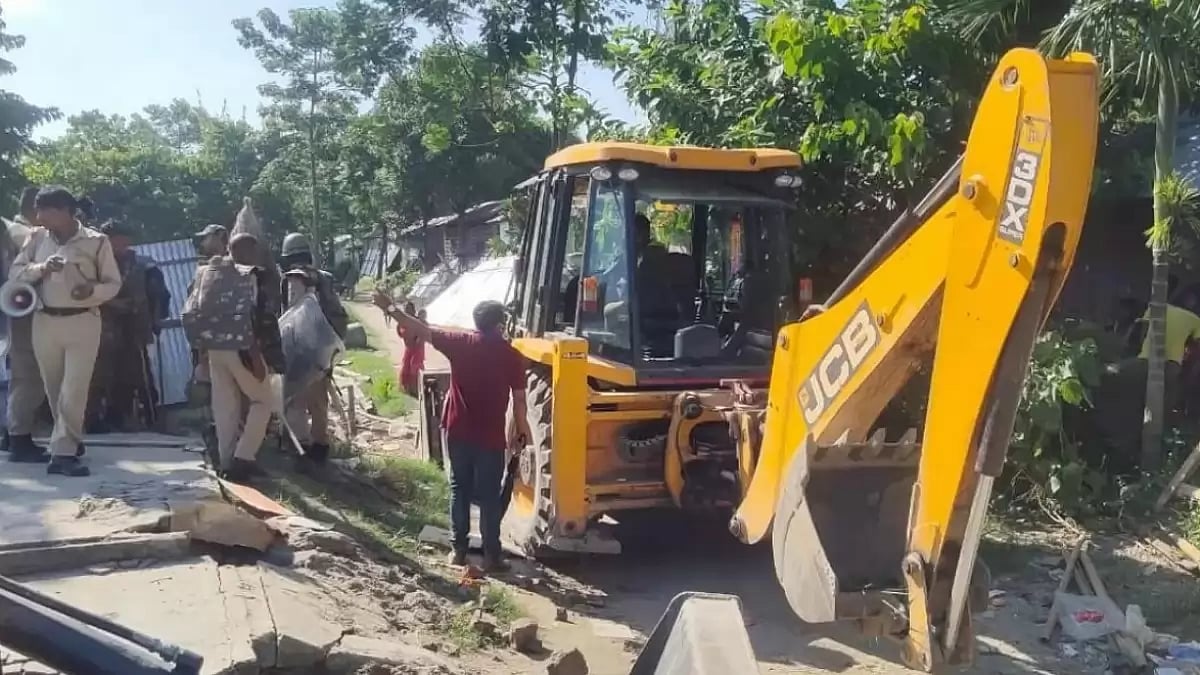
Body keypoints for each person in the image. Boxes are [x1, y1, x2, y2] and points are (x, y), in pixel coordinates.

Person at [372, 290, 530, 571]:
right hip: (491, 437)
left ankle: (458, 552)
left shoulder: (460, 342)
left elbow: (421, 328)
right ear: (500, 325)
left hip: (457, 430)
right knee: (491, 496)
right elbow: (519, 402)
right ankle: (493, 556)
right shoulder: (512, 356)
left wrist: (392, 308)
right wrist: (522, 431)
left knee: (459, 489)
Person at [10, 186, 121, 476]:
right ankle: (69, 438)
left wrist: (92, 290)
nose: (38, 217)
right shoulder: (36, 238)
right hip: (44, 321)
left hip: (83, 321)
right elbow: (16, 274)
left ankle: (62, 454)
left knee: (74, 389)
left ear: (63, 211)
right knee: (55, 388)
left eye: (44, 211)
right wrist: (42, 268)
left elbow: (113, 283)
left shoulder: (97, 242)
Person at [184, 232, 284, 481]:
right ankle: (244, 457)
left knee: (225, 407)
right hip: (243, 347)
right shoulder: (248, 275)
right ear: (248, 251)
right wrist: (261, 355)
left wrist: (201, 350)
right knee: (263, 402)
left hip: (212, 348)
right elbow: (257, 316)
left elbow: (190, 311)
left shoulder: (205, 273)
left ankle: (226, 462)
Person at [279, 232, 347, 463]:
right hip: (323, 350)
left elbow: (289, 315)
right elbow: (337, 313)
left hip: (299, 351)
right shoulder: (324, 278)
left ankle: (300, 446)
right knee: (319, 400)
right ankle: (320, 445)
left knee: (295, 399)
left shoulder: (291, 279)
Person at [87, 221, 157, 432]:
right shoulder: (92, 262)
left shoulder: (139, 263)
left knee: (131, 373)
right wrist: (111, 302)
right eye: (119, 240)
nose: (124, 245)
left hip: (133, 326)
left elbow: (154, 294)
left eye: (126, 241)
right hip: (101, 326)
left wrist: (151, 316)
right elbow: (84, 290)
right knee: (99, 375)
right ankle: (92, 419)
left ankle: (119, 415)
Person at [2, 187, 48, 460]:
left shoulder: (10, 230)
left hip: (16, 314)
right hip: (26, 315)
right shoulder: (26, 235)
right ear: (37, 209)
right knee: (29, 377)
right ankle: (20, 440)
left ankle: (12, 436)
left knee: (21, 376)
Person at [397, 302, 426, 397]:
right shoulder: (403, 321)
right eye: (405, 310)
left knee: (415, 367)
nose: (406, 312)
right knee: (406, 366)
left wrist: (417, 340)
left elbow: (423, 332)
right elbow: (401, 334)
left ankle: (417, 389)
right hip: (409, 348)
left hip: (417, 348)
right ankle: (407, 387)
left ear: (413, 311)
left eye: (408, 310)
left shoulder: (417, 321)